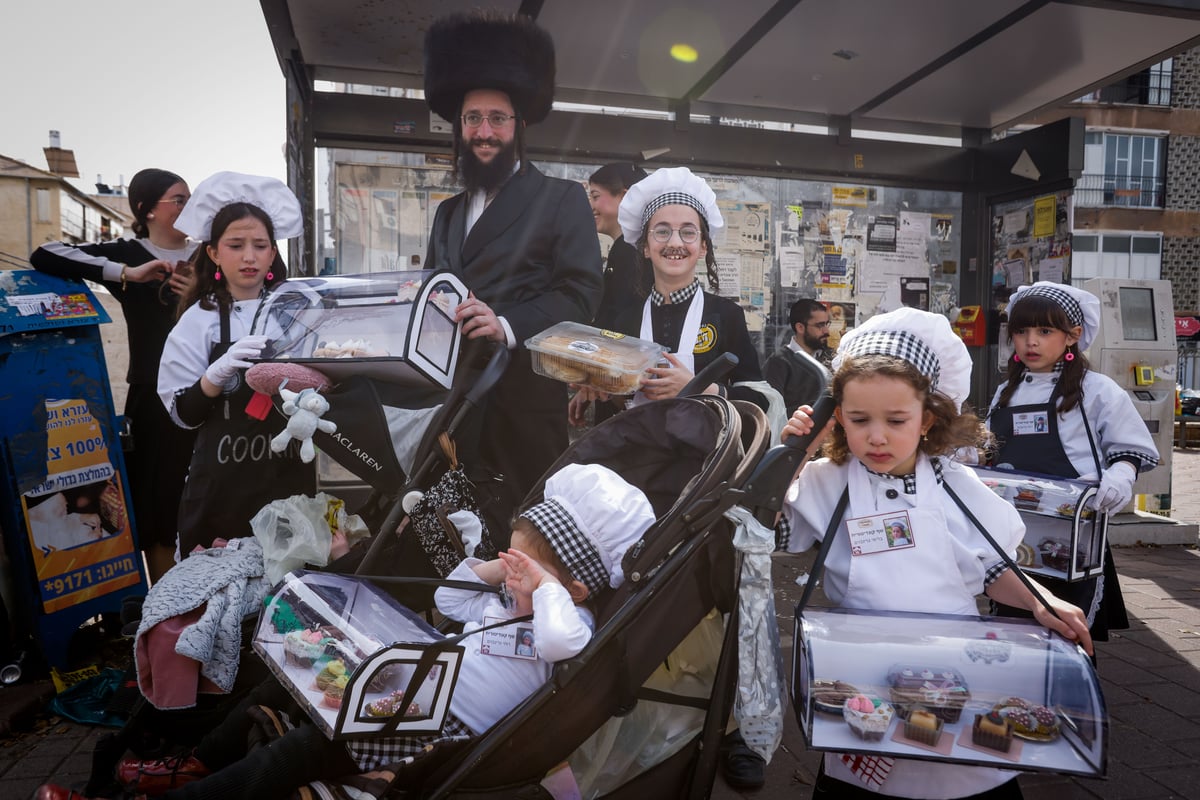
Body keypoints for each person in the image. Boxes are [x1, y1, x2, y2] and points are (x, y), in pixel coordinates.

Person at [38, 464, 655, 800]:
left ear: (577, 585)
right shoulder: (502, 598)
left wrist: (543, 591)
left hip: (433, 734)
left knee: (300, 750)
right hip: (404, 694)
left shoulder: (569, 620)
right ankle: (198, 762)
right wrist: (499, 569)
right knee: (276, 687)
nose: (515, 576)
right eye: (512, 557)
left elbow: (558, 643)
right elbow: (446, 597)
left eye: (533, 568)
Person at [779, 307, 1092, 799]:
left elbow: (992, 567)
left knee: (957, 766)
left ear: (927, 418)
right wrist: (794, 456)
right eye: (859, 420)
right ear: (837, 416)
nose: (876, 436)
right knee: (867, 772)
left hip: (955, 671)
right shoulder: (825, 481)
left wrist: (1038, 600)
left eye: (896, 420)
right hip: (861, 673)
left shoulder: (954, 485)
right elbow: (770, 536)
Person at [422, 10, 603, 540]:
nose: (484, 132)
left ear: (519, 125)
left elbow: (581, 292)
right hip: (451, 405)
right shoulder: (448, 212)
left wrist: (505, 323)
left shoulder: (561, 198)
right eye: (473, 118)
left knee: (520, 541)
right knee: (449, 538)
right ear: (458, 125)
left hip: (522, 406)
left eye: (497, 119)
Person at [30, 168, 198, 582]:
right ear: (146, 209)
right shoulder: (128, 253)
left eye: (191, 198)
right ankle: (166, 609)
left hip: (207, 391)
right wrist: (127, 274)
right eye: (179, 199)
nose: (189, 206)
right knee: (159, 502)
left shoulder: (208, 253)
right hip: (152, 394)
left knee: (204, 497)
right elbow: (45, 253)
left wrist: (200, 292)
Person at [986, 281, 1159, 641]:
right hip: (1013, 526)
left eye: (1044, 330)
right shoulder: (1007, 391)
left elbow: (1129, 445)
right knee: (1013, 621)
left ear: (1072, 336)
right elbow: (990, 446)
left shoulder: (1097, 389)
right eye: (1021, 331)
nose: (1031, 341)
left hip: (1073, 532)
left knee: (1067, 628)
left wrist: (1122, 473)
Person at [157, 172, 314, 557]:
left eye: (260, 245)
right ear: (213, 253)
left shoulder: (298, 312)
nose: (249, 256)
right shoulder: (199, 320)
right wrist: (216, 373)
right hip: (221, 490)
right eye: (236, 245)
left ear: (273, 254)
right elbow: (183, 414)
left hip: (287, 480)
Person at [568, 166, 764, 427]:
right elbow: (618, 402)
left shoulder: (726, 315)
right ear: (646, 248)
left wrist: (702, 389)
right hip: (637, 457)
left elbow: (759, 399)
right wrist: (600, 389)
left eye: (688, 232)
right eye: (661, 231)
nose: (675, 243)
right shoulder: (625, 321)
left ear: (703, 246)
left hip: (706, 463)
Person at [588, 162, 649, 329]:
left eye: (595, 196)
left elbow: (619, 320)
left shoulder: (628, 250)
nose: (590, 205)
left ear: (625, 197)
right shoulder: (633, 247)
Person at [764, 297, 833, 412]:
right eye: (820, 325)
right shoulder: (779, 363)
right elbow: (774, 410)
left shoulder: (832, 357)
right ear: (800, 327)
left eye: (827, 324)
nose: (826, 331)